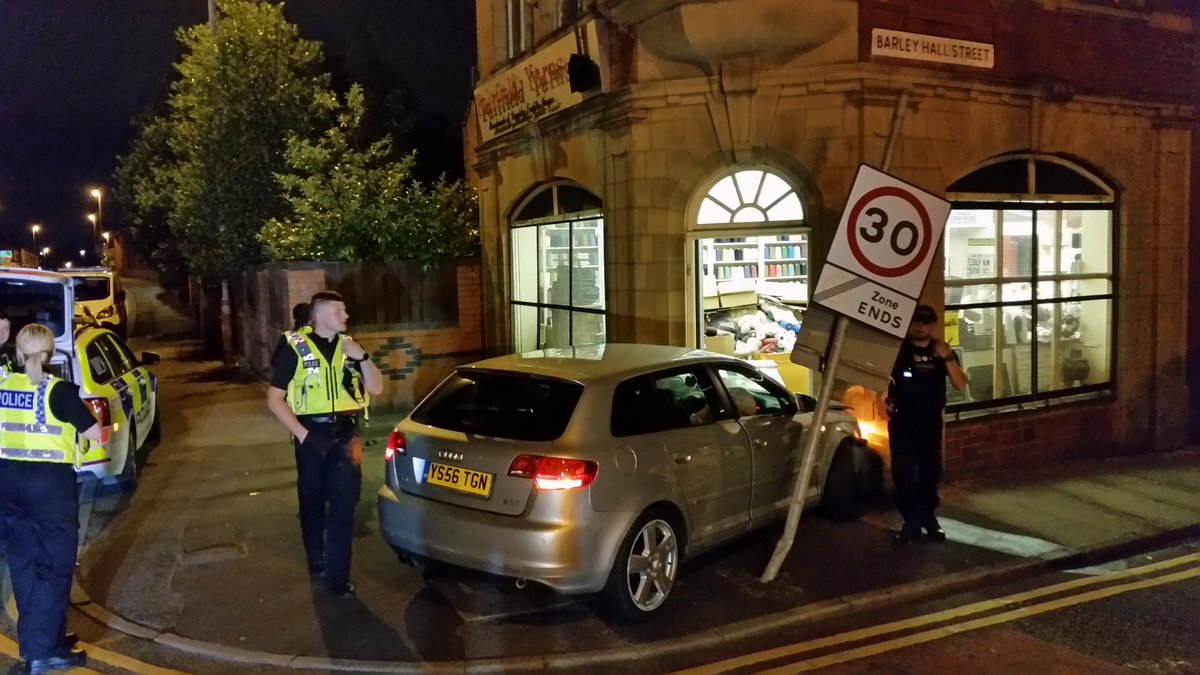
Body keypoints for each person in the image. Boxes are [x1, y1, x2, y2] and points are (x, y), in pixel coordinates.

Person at [266, 292, 382, 598]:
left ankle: (337, 578)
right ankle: (315, 557)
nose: (345, 315)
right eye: (338, 310)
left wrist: (363, 357)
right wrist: (304, 436)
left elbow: (376, 388)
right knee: (312, 500)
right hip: (310, 432)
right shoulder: (295, 347)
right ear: (320, 316)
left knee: (345, 506)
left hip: (346, 433)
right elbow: (275, 400)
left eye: (345, 309)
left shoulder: (349, 347)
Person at [0, 324, 102, 673]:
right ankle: (44, 653)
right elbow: (92, 431)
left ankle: (40, 641)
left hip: (8, 483)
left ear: (18, 352)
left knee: (23, 564)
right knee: (54, 567)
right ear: (50, 353)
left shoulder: (3, 385)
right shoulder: (58, 391)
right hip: (49, 487)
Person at [883, 305, 967, 544]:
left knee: (931, 472)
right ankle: (910, 521)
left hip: (930, 422)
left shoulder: (941, 351)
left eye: (925, 322)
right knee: (904, 473)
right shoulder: (899, 350)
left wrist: (947, 357)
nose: (919, 327)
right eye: (915, 322)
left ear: (933, 325)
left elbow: (961, 384)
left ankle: (928, 518)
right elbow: (879, 376)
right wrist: (885, 400)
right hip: (902, 421)